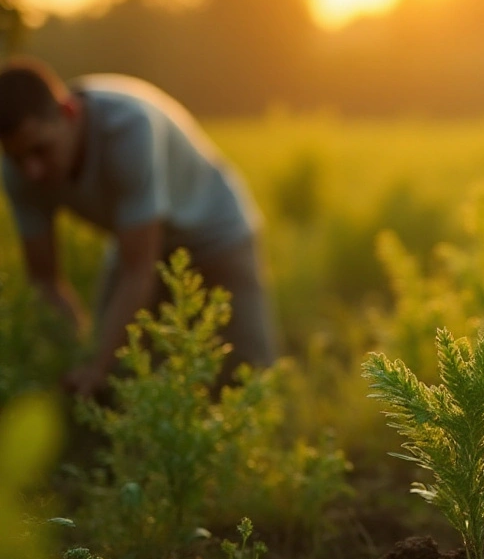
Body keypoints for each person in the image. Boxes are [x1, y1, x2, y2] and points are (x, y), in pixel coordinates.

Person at [0, 58, 277, 397]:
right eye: (17, 158)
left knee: (246, 378)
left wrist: (95, 368)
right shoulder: (18, 171)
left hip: (218, 234)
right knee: (117, 375)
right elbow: (44, 280)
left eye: (41, 150)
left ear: (69, 113)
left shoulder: (128, 128)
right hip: (138, 243)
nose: (32, 171)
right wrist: (79, 353)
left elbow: (138, 271)